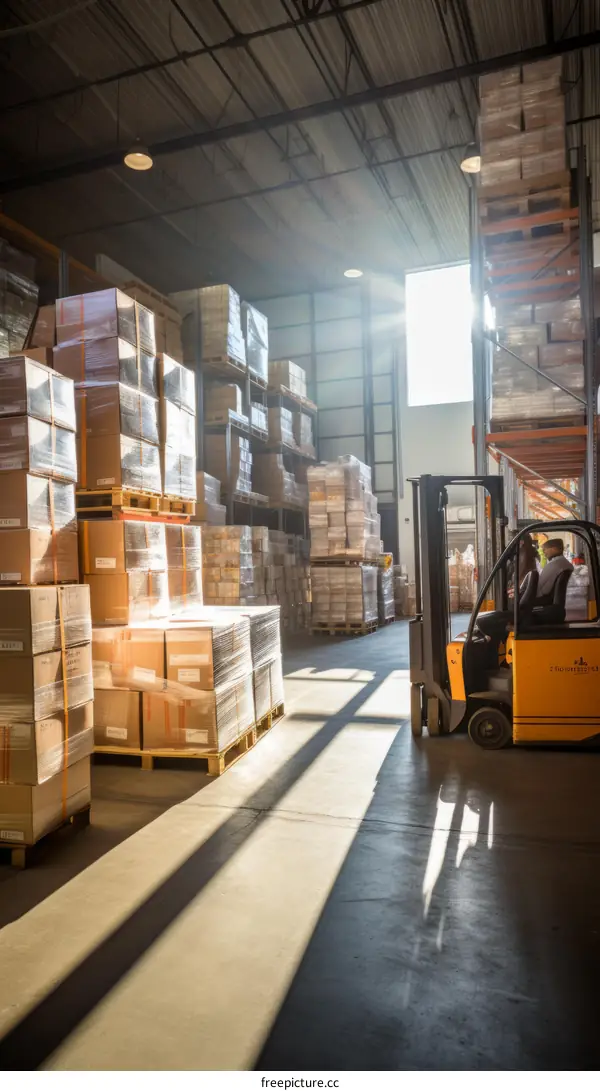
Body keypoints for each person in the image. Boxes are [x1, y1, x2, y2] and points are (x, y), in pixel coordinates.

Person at [536, 539, 573, 605]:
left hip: (543, 600)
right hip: (552, 599)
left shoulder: (553, 565)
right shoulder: (566, 563)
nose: (543, 552)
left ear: (554, 549)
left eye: (545, 549)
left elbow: (539, 588)